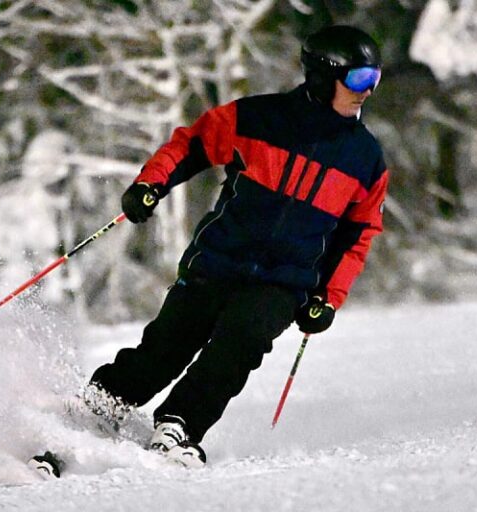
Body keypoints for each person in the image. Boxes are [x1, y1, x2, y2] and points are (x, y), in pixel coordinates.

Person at [78, 24, 388, 471]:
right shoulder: (258, 118)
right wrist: (151, 185)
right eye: (359, 80)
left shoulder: (366, 158)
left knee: (238, 345)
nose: (367, 92)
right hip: (219, 260)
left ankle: (179, 426)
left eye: (374, 81)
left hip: (284, 282)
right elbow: (192, 144)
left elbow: (358, 234)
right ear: (323, 76)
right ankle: (100, 406)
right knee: (167, 346)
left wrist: (328, 298)